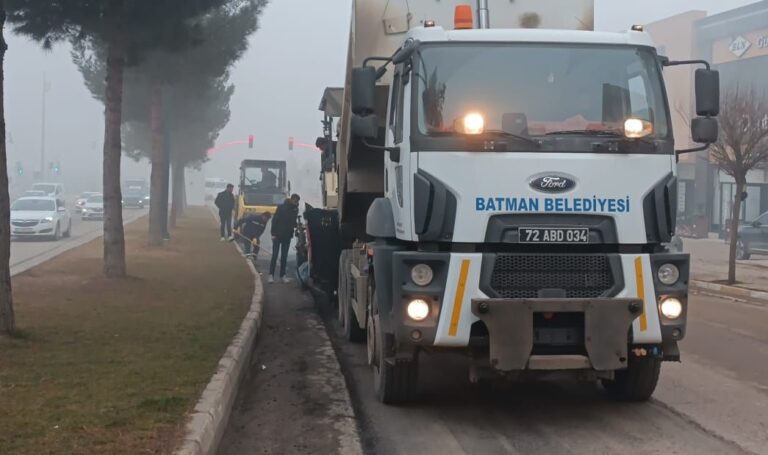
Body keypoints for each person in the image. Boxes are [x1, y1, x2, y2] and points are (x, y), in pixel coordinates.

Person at [269, 193, 300, 283]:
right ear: (292, 199)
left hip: (287, 235)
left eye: (297, 201)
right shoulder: (281, 207)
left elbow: (292, 221)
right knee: (275, 255)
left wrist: (296, 225)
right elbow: (274, 220)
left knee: (284, 256)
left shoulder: (295, 209)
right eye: (295, 201)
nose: (296, 203)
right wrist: (273, 233)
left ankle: (282, 275)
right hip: (277, 235)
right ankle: (271, 275)